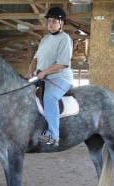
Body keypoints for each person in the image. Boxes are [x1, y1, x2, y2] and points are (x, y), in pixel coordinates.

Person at [28, 6, 73, 146]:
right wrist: (30, 71)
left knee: (49, 97)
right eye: (49, 22)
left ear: (61, 23)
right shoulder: (45, 39)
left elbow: (62, 64)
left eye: (54, 21)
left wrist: (44, 72)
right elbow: (35, 59)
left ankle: (53, 135)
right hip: (42, 78)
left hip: (60, 78)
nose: (51, 24)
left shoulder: (65, 39)